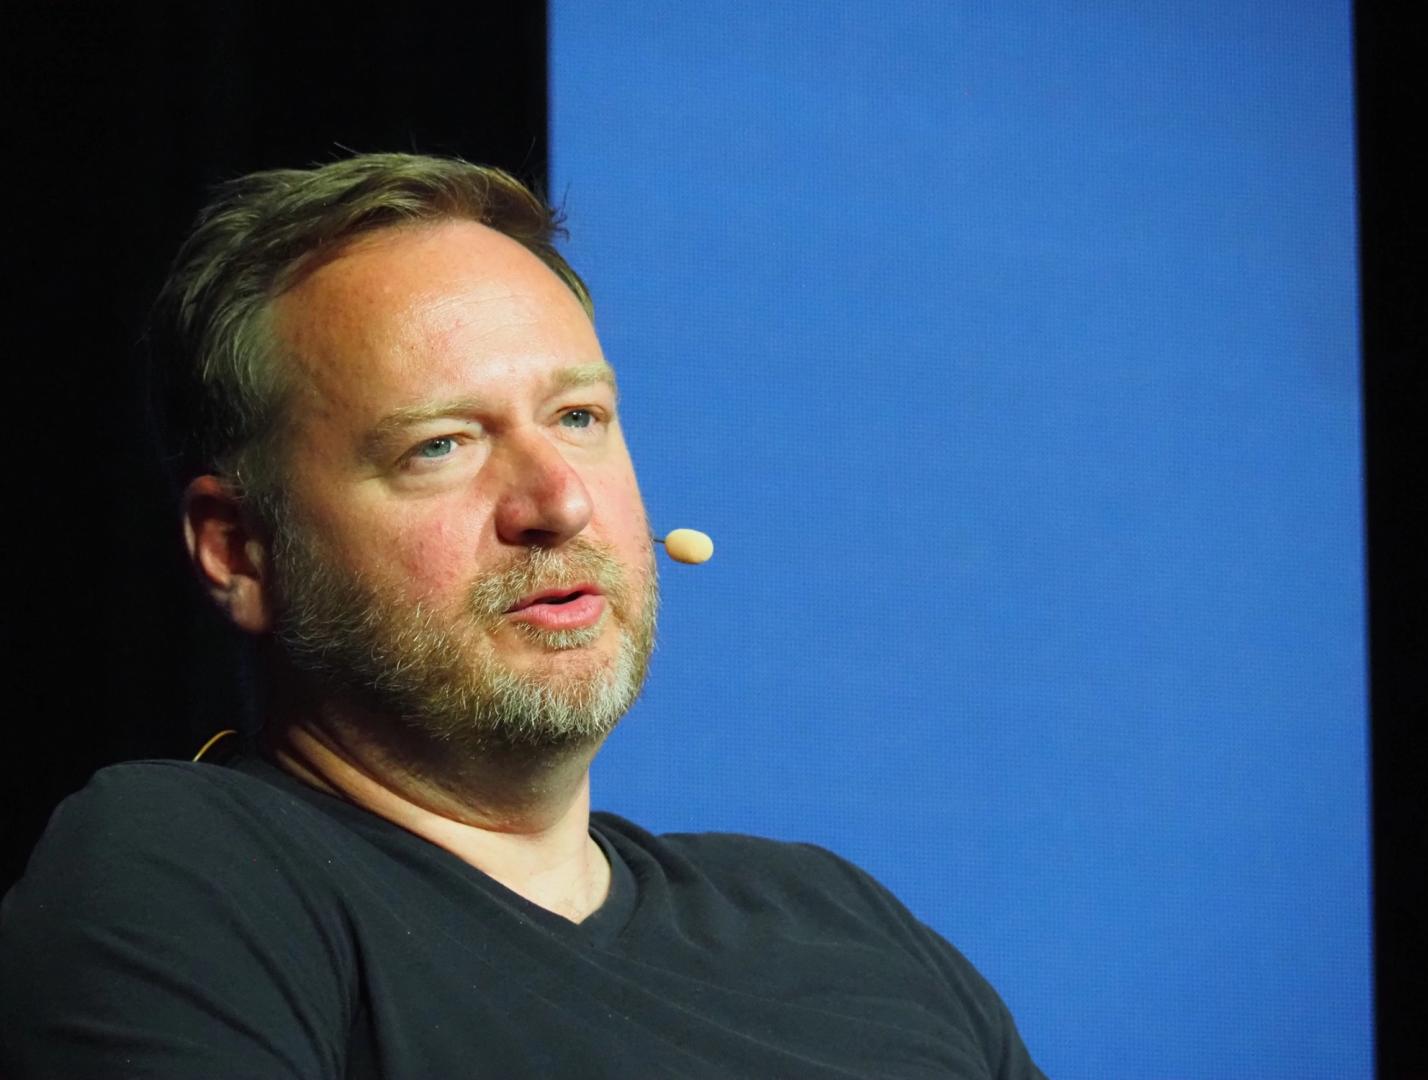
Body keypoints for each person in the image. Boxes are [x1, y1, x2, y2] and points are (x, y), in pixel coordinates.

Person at [0, 153, 1045, 1079]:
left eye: (578, 417)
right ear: (239, 549)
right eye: (441, 445)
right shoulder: (188, 875)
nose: (559, 503)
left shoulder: (838, 922)